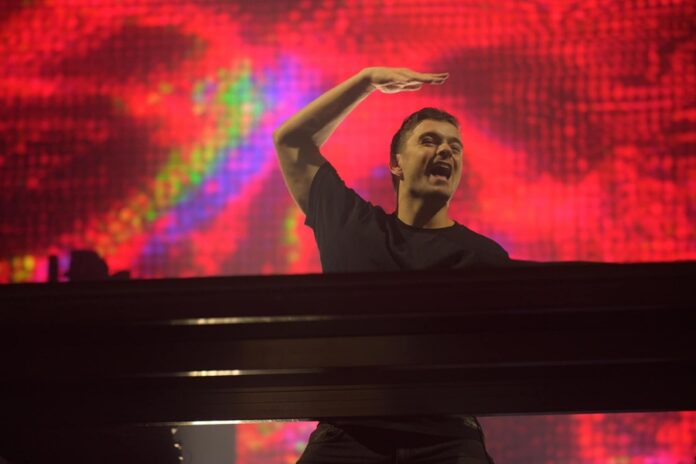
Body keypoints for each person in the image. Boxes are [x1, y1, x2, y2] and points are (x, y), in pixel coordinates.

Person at [274, 67, 506, 463]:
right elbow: (292, 141)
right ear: (396, 164)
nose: (445, 151)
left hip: (447, 437)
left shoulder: (483, 257)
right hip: (349, 432)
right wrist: (365, 82)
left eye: (455, 146)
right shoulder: (353, 228)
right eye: (429, 141)